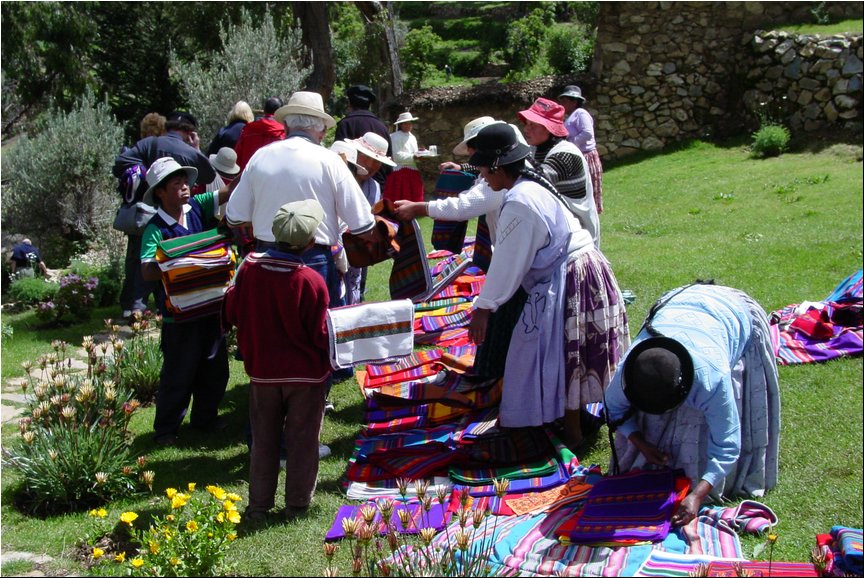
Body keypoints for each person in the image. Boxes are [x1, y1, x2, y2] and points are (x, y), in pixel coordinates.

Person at [465, 124, 629, 444]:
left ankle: (570, 430)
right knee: (572, 354)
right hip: (586, 270)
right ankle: (572, 420)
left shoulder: (521, 203)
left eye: (484, 169)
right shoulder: (529, 187)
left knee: (561, 354)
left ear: (498, 166)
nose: (483, 176)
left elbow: (508, 262)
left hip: (571, 277)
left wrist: (484, 308)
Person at [604, 283, 780, 525]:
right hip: (678, 303)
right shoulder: (629, 370)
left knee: (702, 425)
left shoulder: (710, 379)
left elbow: (727, 445)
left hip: (731, 311)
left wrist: (697, 495)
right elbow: (613, 409)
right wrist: (640, 442)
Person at [224, 199, 332, 524]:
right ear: (311, 242)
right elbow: (321, 334)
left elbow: (232, 312)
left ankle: (258, 505)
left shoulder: (250, 270)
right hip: (305, 376)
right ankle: (297, 504)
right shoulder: (310, 281)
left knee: (264, 440)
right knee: (302, 440)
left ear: (274, 232)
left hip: (263, 373)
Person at [225, 90, 377, 309]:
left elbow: (234, 217)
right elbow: (362, 224)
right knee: (319, 336)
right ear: (322, 130)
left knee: (272, 333)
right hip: (314, 259)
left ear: (286, 126)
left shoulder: (260, 157)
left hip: (266, 257)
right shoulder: (331, 161)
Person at [139, 157, 232, 446]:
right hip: (177, 316)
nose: (184, 188)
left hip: (210, 308)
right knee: (178, 372)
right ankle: (166, 430)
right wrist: (183, 261)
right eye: (176, 184)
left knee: (215, 368)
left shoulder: (199, 207)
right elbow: (147, 269)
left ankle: (205, 418)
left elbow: (230, 191)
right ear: (160, 192)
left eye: (185, 182)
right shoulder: (155, 228)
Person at [114, 111, 215, 318]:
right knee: (172, 254)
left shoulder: (149, 144)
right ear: (189, 132)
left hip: (143, 212)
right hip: (174, 214)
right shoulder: (187, 150)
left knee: (138, 259)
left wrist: (146, 175)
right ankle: (163, 305)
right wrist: (195, 149)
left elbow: (120, 163)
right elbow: (209, 175)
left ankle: (134, 305)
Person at [517, 97, 599, 248]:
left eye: (533, 125)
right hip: (558, 235)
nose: (526, 129)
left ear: (549, 128)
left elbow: (537, 179)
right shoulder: (537, 149)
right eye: (527, 124)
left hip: (577, 241)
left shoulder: (566, 153)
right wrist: (465, 169)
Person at [338, 132, 396, 305]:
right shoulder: (339, 176)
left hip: (357, 251)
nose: (372, 165)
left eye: (377, 161)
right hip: (335, 248)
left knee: (355, 288)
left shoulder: (374, 187)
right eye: (366, 158)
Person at [334, 84, 393, 186]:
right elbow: (388, 165)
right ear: (369, 105)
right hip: (379, 187)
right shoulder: (382, 127)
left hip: (350, 184)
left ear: (349, 103)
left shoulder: (346, 124)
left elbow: (338, 156)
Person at [559, 85, 604, 214]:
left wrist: (571, 143)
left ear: (574, 102)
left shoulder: (580, 114)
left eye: (565, 101)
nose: (562, 104)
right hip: (579, 155)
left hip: (586, 156)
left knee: (588, 188)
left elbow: (587, 133)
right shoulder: (572, 116)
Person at [233, 96, 285, 171]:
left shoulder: (248, 130)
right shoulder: (284, 133)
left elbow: (237, 157)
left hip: (248, 177)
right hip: (273, 179)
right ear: (281, 112)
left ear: (264, 111)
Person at [383, 111, 425, 203]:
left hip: (412, 170)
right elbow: (396, 156)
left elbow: (414, 152)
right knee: (399, 197)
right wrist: (414, 157)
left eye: (410, 123)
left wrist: (420, 154)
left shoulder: (412, 137)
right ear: (401, 125)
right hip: (399, 171)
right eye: (405, 123)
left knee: (413, 198)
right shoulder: (394, 137)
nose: (408, 125)